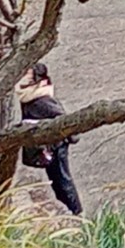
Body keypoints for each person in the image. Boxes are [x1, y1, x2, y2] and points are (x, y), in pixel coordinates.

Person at [16, 62, 82, 216]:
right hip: (46, 146)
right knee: (56, 181)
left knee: (63, 180)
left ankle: (76, 212)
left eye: (27, 73)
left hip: (56, 146)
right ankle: (69, 209)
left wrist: (70, 137)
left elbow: (64, 119)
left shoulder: (42, 100)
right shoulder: (29, 97)